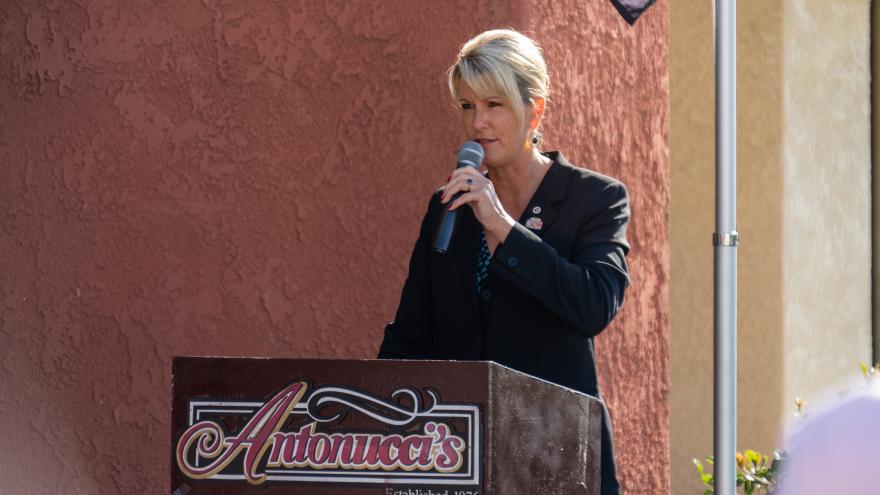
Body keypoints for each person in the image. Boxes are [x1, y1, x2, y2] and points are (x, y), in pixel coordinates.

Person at [378, 29, 630, 495]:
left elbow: (593, 305)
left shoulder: (595, 198)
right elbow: (411, 334)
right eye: (468, 106)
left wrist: (501, 226)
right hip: (456, 457)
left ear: (535, 110)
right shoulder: (448, 206)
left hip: (557, 455)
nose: (478, 123)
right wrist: (377, 422)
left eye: (494, 105)